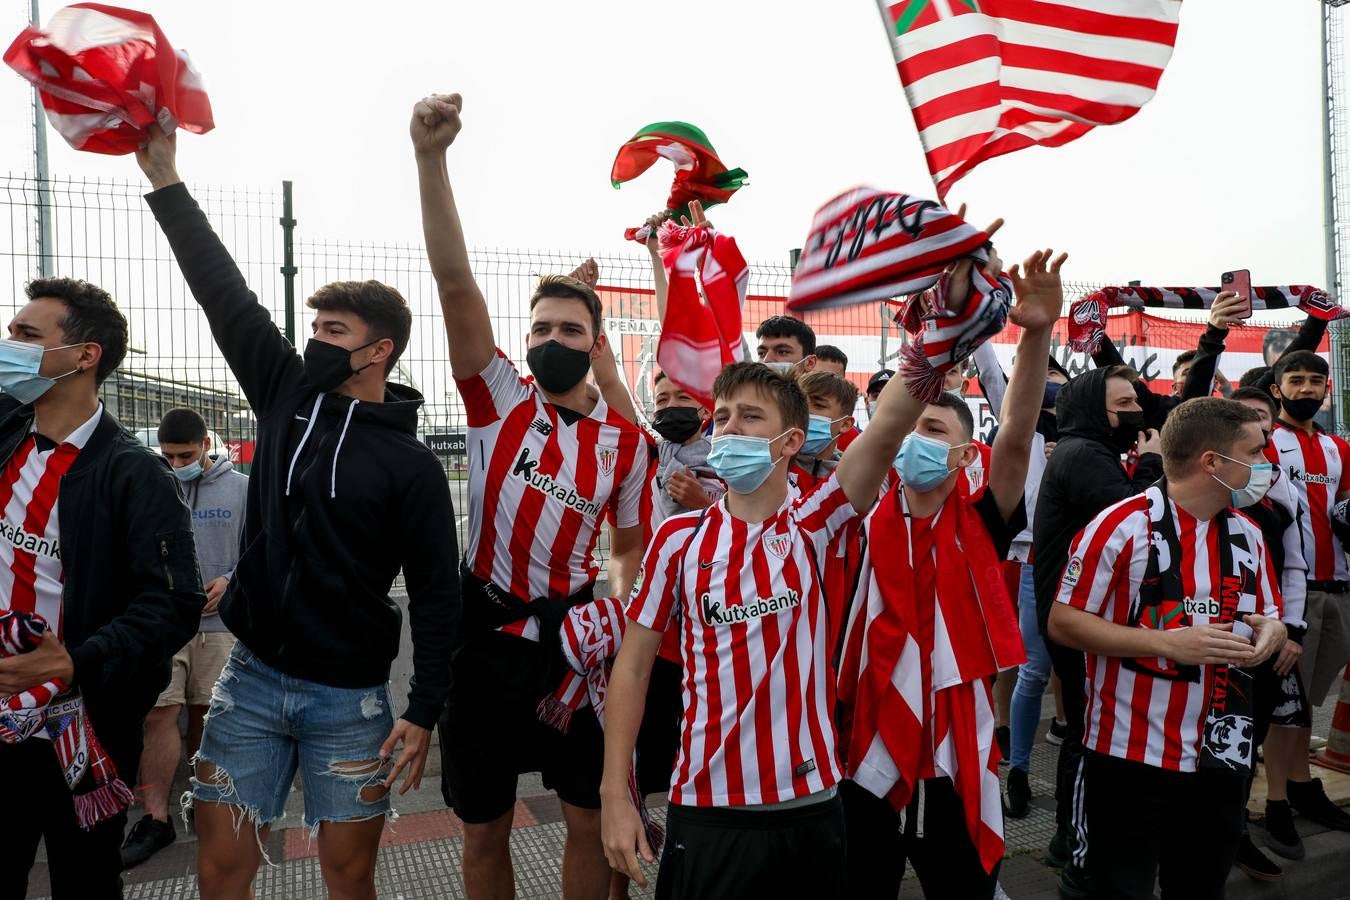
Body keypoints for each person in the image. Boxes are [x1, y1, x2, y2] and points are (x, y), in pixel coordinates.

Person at [137, 126, 460, 900]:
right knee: (221, 872)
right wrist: (162, 173)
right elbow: (223, 292)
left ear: (378, 351)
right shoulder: (284, 394)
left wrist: (423, 711)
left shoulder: (412, 465)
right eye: (313, 328)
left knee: (349, 881)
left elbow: (441, 593)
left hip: (349, 701)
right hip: (247, 684)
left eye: (334, 332)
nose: (315, 342)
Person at [413, 93, 649, 900]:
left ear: (596, 344)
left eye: (571, 330)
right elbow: (453, 282)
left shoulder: (627, 444)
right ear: (525, 341)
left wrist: (613, 627)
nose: (553, 341)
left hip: (577, 648)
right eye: (541, 329)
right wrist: (431, 158)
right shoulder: (500, 402)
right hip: (483, 645)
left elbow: (628, 554)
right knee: (483, 830)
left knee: (589, 818)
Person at [601, 344, 935, 897]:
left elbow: (887, 428)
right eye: (724, 415)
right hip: (706, 806)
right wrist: (616, 792)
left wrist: (934, 344)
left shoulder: (815, 520)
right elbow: (633, 667)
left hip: (809, 805)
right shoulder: (677, 539)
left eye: (751, 416)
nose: (730, 429)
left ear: (792, 442)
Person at [837, 247, 1066, 899]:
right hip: (865, 758)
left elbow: (1018, 432)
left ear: (966, 452)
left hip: (956, 761)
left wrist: (1039, 330)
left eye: (933, 427)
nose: (915, 436)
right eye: (910, 423)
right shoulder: (850, 516)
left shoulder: (983, 519)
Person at [0, 277, 204, 900]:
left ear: (85, 356)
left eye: (27, 336)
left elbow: (174, 602)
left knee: (85, 878)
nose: (10, 346)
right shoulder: (7, 435)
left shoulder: (133, 472)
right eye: (12, 332)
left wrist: (76, 660)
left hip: (78, 726)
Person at [1049, 397, 1287, 900]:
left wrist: (1273, 633)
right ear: (1212, 462)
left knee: (1200, 887)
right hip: (1130, 754)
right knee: (1121, 888)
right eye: (1256, 452)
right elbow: (1064, 622)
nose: (1268, 464)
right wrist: (1165, 643)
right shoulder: (1119, 526)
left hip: (1223, 754)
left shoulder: (1249, 533)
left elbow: (1268, 615)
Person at [1032, 363, 1164, 898]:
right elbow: (1137, 513)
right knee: (1090, 730)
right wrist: (1153, 461)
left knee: (1088, 724)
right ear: (1093, 408)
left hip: (1084, 614)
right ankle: (1075, 843)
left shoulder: (1090, 448)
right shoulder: (1084, 455)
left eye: (1136, 402)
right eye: (1124, 404)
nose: (1136, 412)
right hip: (1077, 620)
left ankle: (1077, 834)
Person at [121, 407, 248, 869]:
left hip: (220, 628)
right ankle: (156, 818)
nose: (176, 464)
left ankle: (205, 802)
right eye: (168, 455)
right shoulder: (154, 483)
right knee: (159, 715)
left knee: (207, 717)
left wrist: (231, 579)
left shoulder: (242, 490)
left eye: (185, 455)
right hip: (165, 625)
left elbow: (263, 548)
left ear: (206, 446)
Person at [971, 341, 1070, 818]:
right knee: (1013, 654)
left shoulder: (1088, 437)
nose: (1045, 381)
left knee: (1057, 661)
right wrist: (979, 319)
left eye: (1056, 375)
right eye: (1038, 375)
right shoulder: (1020, 427)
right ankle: (1010, 745)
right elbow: (990, 371)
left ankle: (1065, 738)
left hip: (1073, 561)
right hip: (1019, 557)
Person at [1261, 350, 1350, 857]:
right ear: (1277, 388)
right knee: (1284, 706)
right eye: (1296, 380)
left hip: (1337, 590)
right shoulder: (1266, 443)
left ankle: (1299, 783)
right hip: (1291, 595)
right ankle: (1278, 800)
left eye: (1316, 381)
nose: (1307, 389)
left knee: (1306, 704)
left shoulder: (1338, 448)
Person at [1226, 385, 1309, 882]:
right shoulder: (1205, 495)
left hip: (1270, 644)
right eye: (1247, 421)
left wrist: (1291, 631)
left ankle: (1235, 829)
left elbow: (1296, 565)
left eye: (1263, 420)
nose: (1259, 429)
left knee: (1248, 738)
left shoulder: (1281, 492)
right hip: (1216, 644)